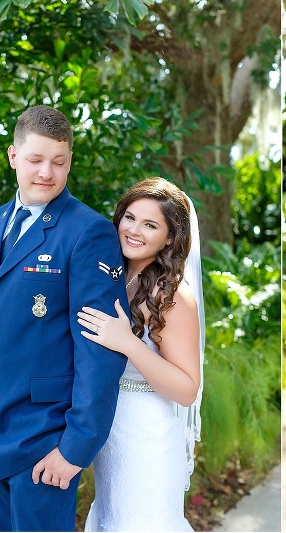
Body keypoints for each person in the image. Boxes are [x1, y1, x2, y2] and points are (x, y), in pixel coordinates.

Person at [0, 105, 129, 531]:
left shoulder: (88, 232)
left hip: (46, 442)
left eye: (58, 162)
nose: (47, 172)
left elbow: (100, 350)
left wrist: (76, 448)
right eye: (35, 160)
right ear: (13, 156)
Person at [78, 178, 204, 532]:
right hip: (110, 428)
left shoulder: (173, 295)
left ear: (169, 237)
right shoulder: (112, 277)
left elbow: (187, 388)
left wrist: (129, 343)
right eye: (129, 218)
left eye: (150, 225)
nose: (134, 230)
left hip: (147, 436)